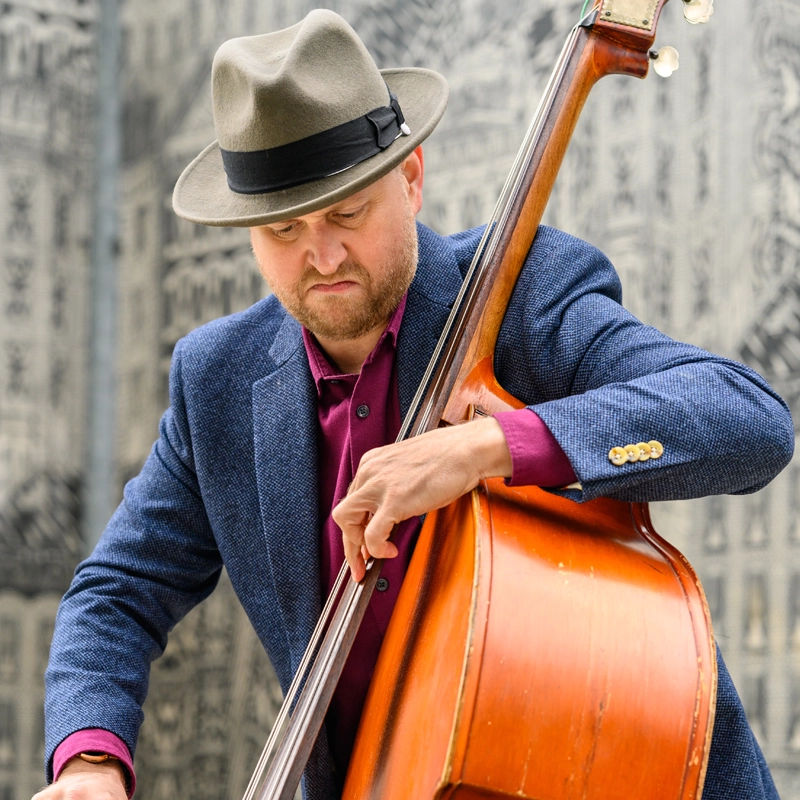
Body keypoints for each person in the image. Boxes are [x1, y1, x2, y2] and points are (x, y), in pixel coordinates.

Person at [38, 9, 793, 800]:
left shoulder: (523, 295)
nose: (322, 255)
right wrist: (90, 762)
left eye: (348, 212)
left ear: (411, 177)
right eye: (284, 229)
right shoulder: (216, 377)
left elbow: (745, 417)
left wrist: (488, 446)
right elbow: (116, 592)